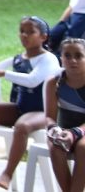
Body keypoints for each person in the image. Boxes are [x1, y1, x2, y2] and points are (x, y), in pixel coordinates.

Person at [0, 16, 60, 189]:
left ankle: (7, 172)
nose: (25, 35)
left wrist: (3, 74)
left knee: (22, 127)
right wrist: (2, 115)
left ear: (43, 37)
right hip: (21, 108)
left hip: (43, 111)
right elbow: (17, 91)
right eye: (22, 31)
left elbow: (32, 80)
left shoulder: (49, 59)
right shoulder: (18, 59)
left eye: (31, 32)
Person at [43, 37, 85, 192]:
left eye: (78, 56)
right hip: (65, 129)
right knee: (56, 148)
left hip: (81, 132)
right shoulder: (54, 82)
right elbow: (49, 116)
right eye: (67, 55)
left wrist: (74, 133)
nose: (72, 60)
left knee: (83, 147)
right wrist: (54, 129)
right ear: (61, 58)